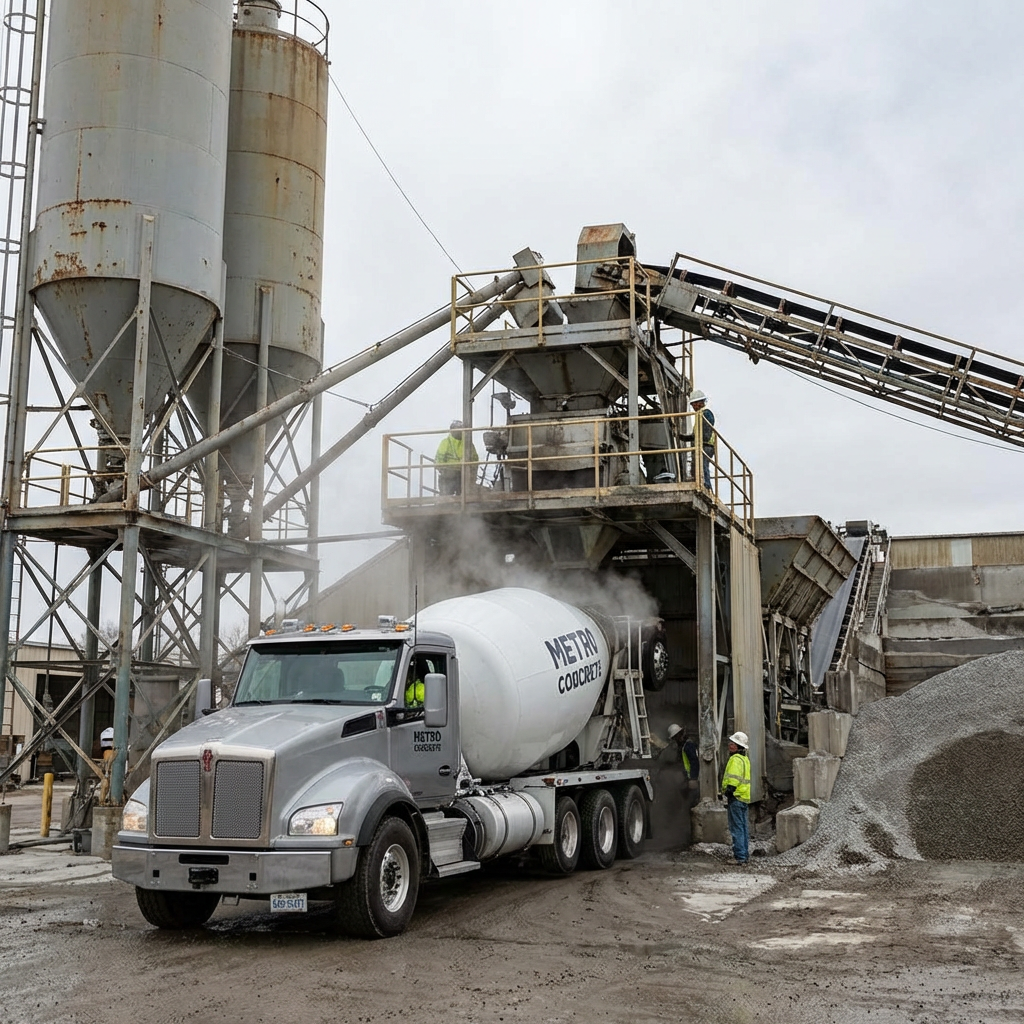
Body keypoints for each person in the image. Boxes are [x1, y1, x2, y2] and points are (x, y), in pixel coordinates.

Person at [721, 730, 752, 865]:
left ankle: (739, 857)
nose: (729, 745)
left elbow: (733, 780)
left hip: (736, 797)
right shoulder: (745, 760)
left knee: (736, 828)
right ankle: (744, 855)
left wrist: (728, 792)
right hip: (744, 798)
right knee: (743, 828)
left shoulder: (735, 760)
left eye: (732, 743)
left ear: (738, 746)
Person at [435, 419, 479, 496]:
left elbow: (475, 459)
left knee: (462, 493)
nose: (458, 431)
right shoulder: (445, 442)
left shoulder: (468, 443)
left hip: (462, 474)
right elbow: (439, 459)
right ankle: (445, 504)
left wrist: (472, 474)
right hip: (448, 474)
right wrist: (442, 469)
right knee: (446, 494)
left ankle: (456, 503)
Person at [689, 390, 716, 490]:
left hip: (706, 445)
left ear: (700, 402)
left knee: (703, 465)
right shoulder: (699, 414)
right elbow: (697, 433)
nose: (693, 407)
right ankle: (703, 483)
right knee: (699, 465)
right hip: (702, 444)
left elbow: (706, 432)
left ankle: (707, 486)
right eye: (692, 405)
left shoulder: (706, 413)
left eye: (694, 404)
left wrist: (699, 438)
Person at [667, 723, 699, 787]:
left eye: (675, 737)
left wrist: (693, 778)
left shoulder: (688, 745)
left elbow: (694, 761)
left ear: (679, 735)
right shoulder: (683, 746)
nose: (675, 740)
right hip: (688, 777)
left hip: (693, 778)